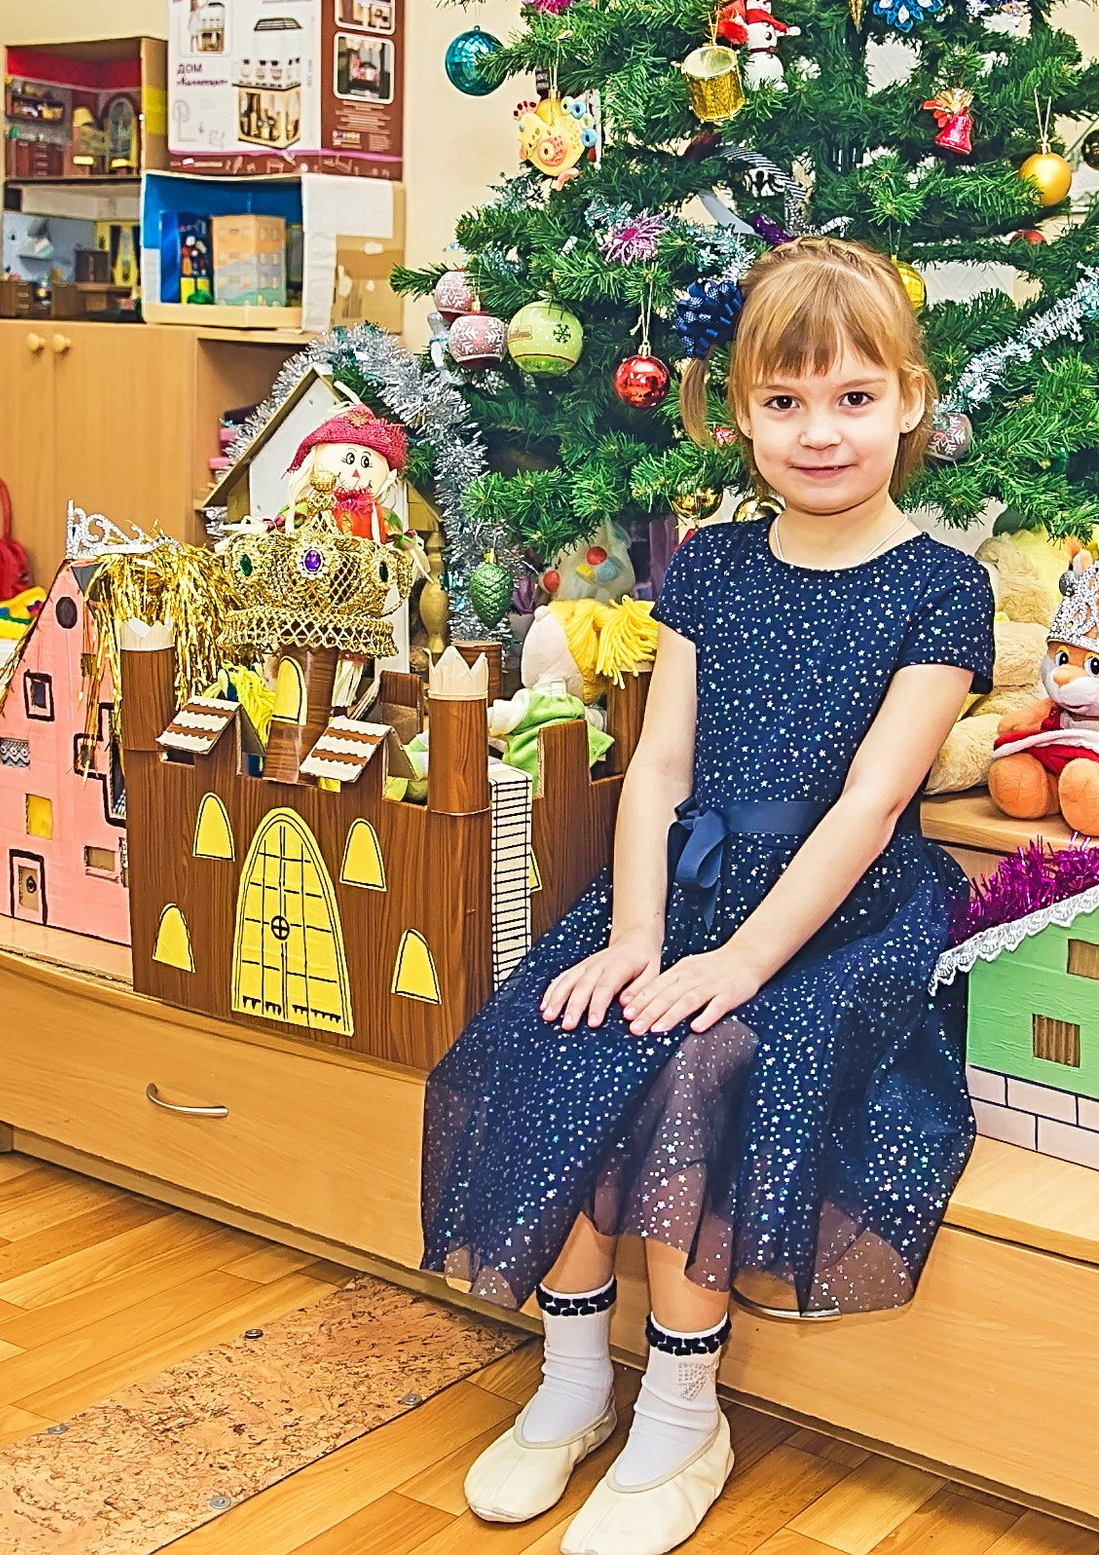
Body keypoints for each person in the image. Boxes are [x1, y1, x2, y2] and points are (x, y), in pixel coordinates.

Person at [422, 236, 995, 1555]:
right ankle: (571, 1379)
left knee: (700, 1061)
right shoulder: (714, 567)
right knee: (572, 1024)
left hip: (834, 918)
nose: (820, 431)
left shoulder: (939, 588)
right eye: (785, 402)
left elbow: (866, 805)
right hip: (682, 888)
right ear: (735, 415)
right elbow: (658, 765)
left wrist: (738, 961)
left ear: (909, 399)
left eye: (854, 397)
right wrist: (635, 932)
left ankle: (684, 1407)